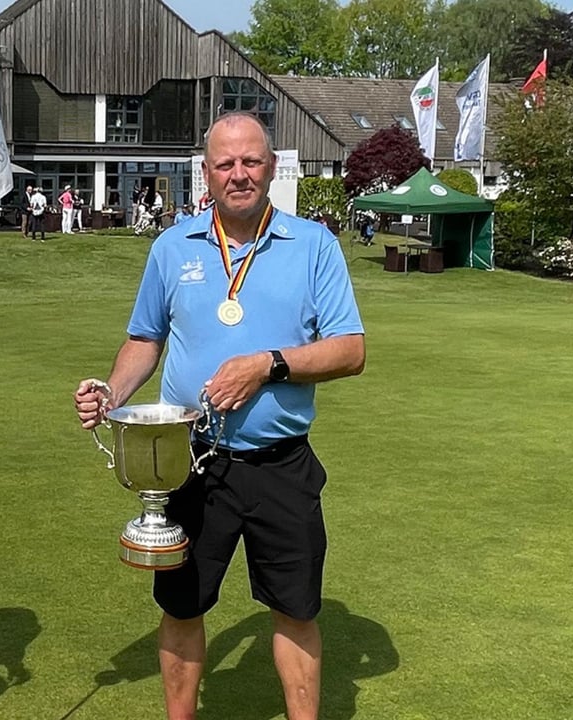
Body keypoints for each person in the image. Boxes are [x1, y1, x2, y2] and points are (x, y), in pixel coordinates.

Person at [73, 112, 366, 720]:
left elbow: (349, 350)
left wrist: (267, 364)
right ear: (206, 173)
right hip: (190, 464)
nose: (239, 174)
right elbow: (144, 340)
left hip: (282, 466)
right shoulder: (171, 246)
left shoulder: (314, 245)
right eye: (225, 164)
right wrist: (112, 391)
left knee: (297, 610)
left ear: (272, 167)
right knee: (181, 606)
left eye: (251, 161)